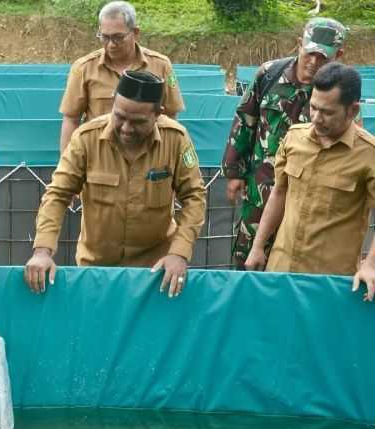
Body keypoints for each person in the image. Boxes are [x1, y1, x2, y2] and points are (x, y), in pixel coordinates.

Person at [26, 70, 206, 298]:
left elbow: (194, 197)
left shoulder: (176, 140)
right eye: (120, 116)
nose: (126, 128)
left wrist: (179, 253)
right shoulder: (86, 139)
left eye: (138, 122)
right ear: (113, 103)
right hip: (96, 271)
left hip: (155, 273)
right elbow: (57, 195)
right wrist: (43, 250)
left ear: (158, 114)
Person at [222, 17, 348, 269]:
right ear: (299, 44)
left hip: (305, 197)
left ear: (339, 55)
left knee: (292, 265)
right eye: (310, 52)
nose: (313, 62)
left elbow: (348, 144)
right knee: (246, 261)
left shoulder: (338, 92)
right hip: (261, 189)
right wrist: (234, 171)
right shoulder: (270, 74)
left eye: (323, 57)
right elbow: (246, 119)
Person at [245, 62, 375, 302]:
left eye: (327, 112)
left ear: (352, 111)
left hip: (330, 282)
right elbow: (279, 193)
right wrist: (258, 246)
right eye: (313, 107)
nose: (316, 118)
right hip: (282, 270)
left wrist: (371, 265)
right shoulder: (294, 138)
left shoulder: (369, 154)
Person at [58, 1, 184, 154]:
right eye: (104, 37)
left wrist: (168, 158)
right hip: (100, 158)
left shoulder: (161, 66)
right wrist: (67, 164)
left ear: (135, 32)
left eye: (118, 37)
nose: (111, 44)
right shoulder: (84, 68)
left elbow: (170, 116)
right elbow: (71, 119)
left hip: (148, 157)